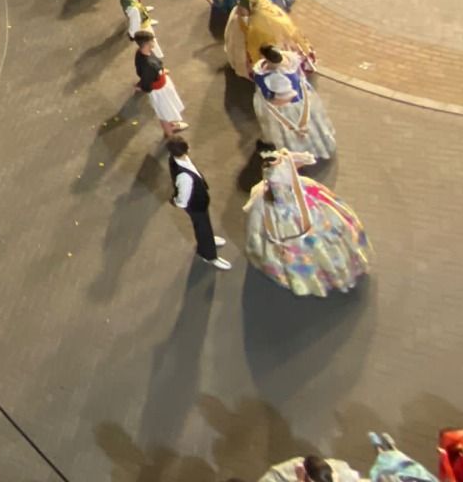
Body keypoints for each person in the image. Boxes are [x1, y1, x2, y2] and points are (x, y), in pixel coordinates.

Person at [243, 146, 371, 296]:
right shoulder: (276, 181)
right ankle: (329, 273)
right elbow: (273, 222)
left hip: (296, 206)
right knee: (318, 242)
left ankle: (324, 272)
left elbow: (293, 190)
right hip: (293, 209)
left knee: (317, 239)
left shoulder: (278, 169)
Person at [252, 45, 336, 161]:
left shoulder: (266, 75)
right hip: (299, 98)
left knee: (286, 127)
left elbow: (268, 95)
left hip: (286, 106)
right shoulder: (289, 60)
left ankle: (297, 149)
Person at [167, 137, 232, 271]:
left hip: (199, 200)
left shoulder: (175, 160)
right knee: (201, 226)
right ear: (186, 149)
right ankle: (208, 255)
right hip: (195, 204)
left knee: (204, 224)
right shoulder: (184, 176)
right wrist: (176, 201)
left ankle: (208, 239)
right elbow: (183, 199)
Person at [133, 31, 189, 139]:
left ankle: (172, 125)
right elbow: (146, 83)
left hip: (162, 85)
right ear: (147, 44)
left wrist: (161, 71)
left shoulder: (141, 53)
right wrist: (143, 86)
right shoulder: (148, 65)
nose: (154, 42)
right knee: (163, 113)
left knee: (167, 109)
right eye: (152, 40)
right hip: (160, 91)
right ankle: (170, 134)